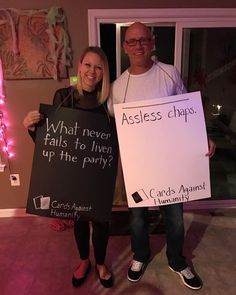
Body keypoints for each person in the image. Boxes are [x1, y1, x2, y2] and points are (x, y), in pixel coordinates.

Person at [108, 22, 216, 290]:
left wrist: (202, 136)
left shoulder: (169, 73)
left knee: (175, 216)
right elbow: (111, 123)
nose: (138, 45)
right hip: (138, 167)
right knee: (136, 217)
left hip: (170, 165)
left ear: (152, 42)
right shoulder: (118, 87)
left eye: (143, 40)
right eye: (132, 41)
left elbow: (185, 111)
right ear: (124, 47)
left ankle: (177, 260)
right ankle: (140, 256)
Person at [23, 46, 114, 288]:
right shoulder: (63, 96)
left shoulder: (110, 102)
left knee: (102, 223)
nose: (92, 72)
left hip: (99, 173)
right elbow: (52, 145)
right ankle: (84, 260)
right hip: (73, 174)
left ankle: (101, 263)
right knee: (80, 221)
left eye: (98, 67)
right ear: (79, 66)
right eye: (88, 65)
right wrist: (32, 129)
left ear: (104, 73)